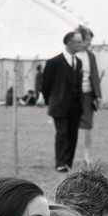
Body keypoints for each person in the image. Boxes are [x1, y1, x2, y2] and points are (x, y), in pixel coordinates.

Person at [42, 31, 86, 173]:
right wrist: (51, 100)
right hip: (59, 105)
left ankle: (68, 162)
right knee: (62, 133)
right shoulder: (54, 62)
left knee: (73, 134)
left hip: (75, 106)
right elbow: (46, 85)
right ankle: (60, 162)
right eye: (78, 41)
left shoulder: (79, 63)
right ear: (68, 43)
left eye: (81, 41)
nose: (80, 44)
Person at [75, 25, 102, 164]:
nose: (89, 43)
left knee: (87, 127)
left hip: (87, 95)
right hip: (72, 96)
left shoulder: (90, 56)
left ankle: (87, 156)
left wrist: (98, 95)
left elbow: (95, 76)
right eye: (87, 40)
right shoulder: (71, 55)